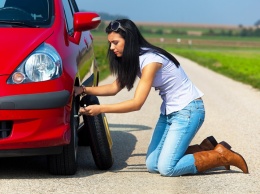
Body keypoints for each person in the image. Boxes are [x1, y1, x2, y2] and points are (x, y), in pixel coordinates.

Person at [74, 19, 248, 176]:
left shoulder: (150, 61)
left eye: (115, 43)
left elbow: (137, 103)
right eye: (110, 43)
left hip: (188, 111)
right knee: (152, 164)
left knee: (167, 168)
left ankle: (221, 156)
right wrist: (81, 89)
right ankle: (205, 148)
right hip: (169, 113)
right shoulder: (134, 60)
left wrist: (100, 109)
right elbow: (113, 87)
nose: (112, 48)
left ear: (130, 40)